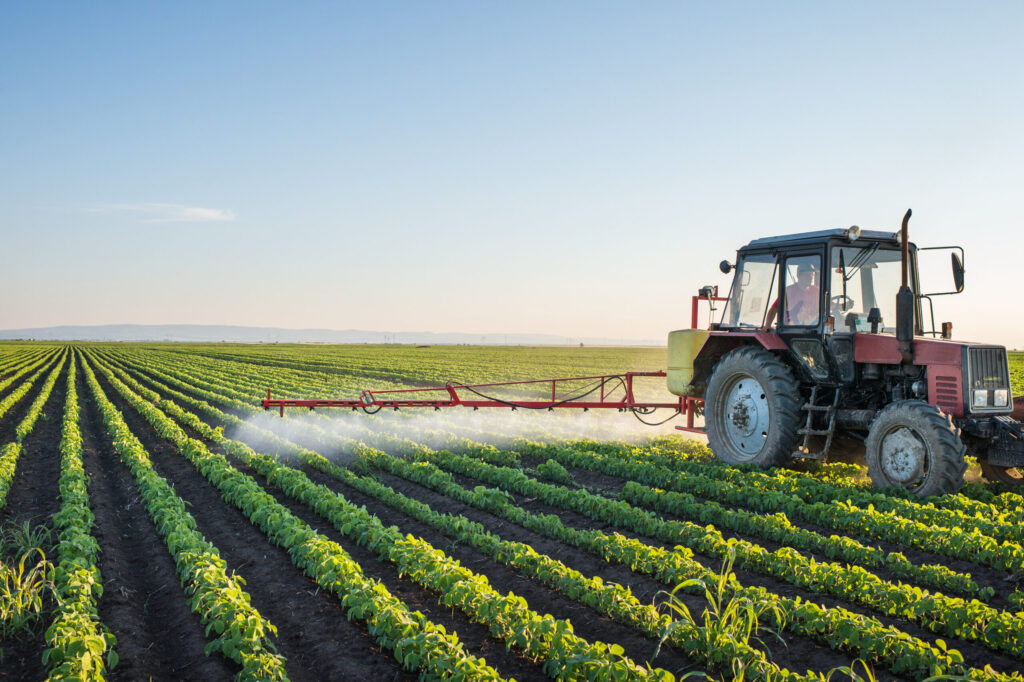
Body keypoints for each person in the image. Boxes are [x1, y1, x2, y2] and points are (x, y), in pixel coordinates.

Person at [764, 260, 819, 328]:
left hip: (812, 328)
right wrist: (767, 325)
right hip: (791, 329)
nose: (811, 277)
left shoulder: (817, 291)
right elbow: (774, 308)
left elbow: (829, 306)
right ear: (798, 275)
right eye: (807, 275)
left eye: (812, 275)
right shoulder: (789, 291)